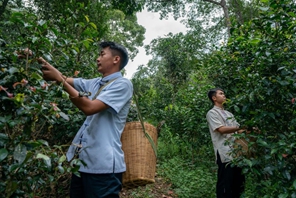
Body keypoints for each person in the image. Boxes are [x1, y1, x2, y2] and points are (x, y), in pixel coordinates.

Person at [38, 41, 133, 198]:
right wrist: (37, 58)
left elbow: (89, 108)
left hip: (104, 169)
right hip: (82, 165)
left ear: (116, 59)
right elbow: (62, 78)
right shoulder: (95, 83)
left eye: (102, 54)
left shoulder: (123, 85)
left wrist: (61, 81)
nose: (97, 58)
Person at [206, 88, 245, 198]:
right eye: (221, 93)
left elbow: (238, 130)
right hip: (224, 153)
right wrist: (239, 128)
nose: (224, 95)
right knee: (225, 184)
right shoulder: (212, 113)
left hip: (237, 153)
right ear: (214, 98)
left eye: (224, 93)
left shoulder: (229, 114)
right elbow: (221, 129)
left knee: (238, 183)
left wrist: (249, 130)